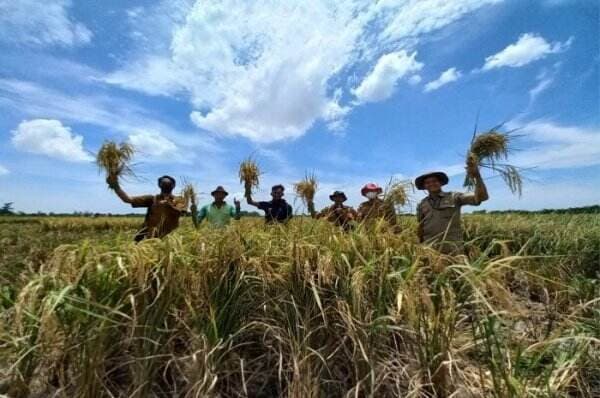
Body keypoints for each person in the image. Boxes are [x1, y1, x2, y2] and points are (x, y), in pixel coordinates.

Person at [415, 157, 489, 255]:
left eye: (434, 181)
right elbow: (421, 227)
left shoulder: (454, 197)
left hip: (453, 249)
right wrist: (419, 245)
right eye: (428, 182)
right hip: (430, 249)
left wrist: (477, 176)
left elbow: (481, 197)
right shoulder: (422, 204)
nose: (431, 184)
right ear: (424, 186)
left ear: (440, 183)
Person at [106, 174, 187, 241]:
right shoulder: (152, 199)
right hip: (149, 236)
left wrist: (167, 205)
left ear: (173, 186)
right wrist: (116, 186)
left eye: (168, 182)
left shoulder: (179, 200)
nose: (166, 183)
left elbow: (180, 211)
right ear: (159, 185)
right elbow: (128, 199)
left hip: (169, 238)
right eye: (163, 182)